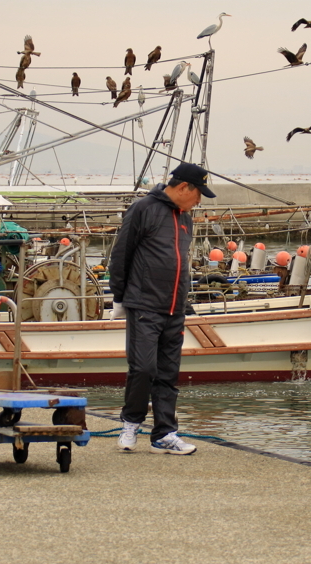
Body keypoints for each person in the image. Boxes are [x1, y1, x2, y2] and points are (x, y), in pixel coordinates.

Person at [109, 163, 215, 454]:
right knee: (143, 368)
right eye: (198, 194)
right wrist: (119, 296)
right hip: (144, 303)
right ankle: (130, 423)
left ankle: (164, 434)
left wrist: (184, 301)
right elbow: (122, 253)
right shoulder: (143, 209)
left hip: (175, 307)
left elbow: (179, 261)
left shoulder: (186, 219)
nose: (199, 201)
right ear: (183, 188)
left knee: (168, 373)